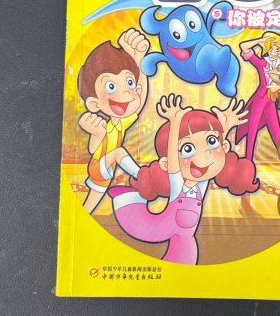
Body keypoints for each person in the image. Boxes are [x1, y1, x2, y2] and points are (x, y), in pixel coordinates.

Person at [109, 95, 259, 265]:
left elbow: (215, 155)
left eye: (211, 142)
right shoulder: (178, 183)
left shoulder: (201, 183)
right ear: (166, 163)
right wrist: (175, 122)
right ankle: (117, 161)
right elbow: (173, 155)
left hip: (181, 238)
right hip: (142, 224)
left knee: (187, 254)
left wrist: (226, 126)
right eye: (188, 149)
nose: (205, 154)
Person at [77, 29, 149, 214]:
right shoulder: (107, 127)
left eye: (129, 83)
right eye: (111, 86)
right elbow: (93, 149)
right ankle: (141, 175)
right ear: (94, 103)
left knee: (90, 205)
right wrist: (97, 133)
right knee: (118, 152)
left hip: (105, 170)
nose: (126, 92)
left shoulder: (120, 124)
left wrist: (138, 60)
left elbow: (139, 101)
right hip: (98, 166)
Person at [235, 32, 280, 160]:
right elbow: (243, 47)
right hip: (260, 98)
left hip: (271, 99)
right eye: (271, 48)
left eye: (277, 49)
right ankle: (248, 161)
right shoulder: (262, 63)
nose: (272, 51)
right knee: (252, 129)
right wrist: (259, 41)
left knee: (276, 130)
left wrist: (278, 87)